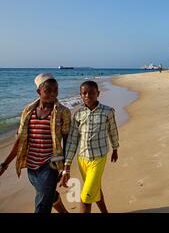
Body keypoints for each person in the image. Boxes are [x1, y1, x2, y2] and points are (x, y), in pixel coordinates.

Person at [0, 73, 70, 213]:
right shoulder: (28, 111)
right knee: (47, 195)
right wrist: (5, 163)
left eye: (56, 90)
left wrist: (65, 168)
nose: (53, 93)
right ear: (39, 91)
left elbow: (67, 140)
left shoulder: (63, 112)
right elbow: (20, 140)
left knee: (42, 206)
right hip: (31, 166)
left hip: (51, 164)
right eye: (48, 90)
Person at [60, 80, 119, 213]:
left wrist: (115, 149)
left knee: (86, 196)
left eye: (91, 93)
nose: (88, 96)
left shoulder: (108, 111)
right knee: (95, 189)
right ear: (80, 95)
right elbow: (72, 140)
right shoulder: (78, 115)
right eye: (84, 93)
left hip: (99, 157)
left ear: (97, 93)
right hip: (82, 159)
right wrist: (66, 167)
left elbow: (113, 131)